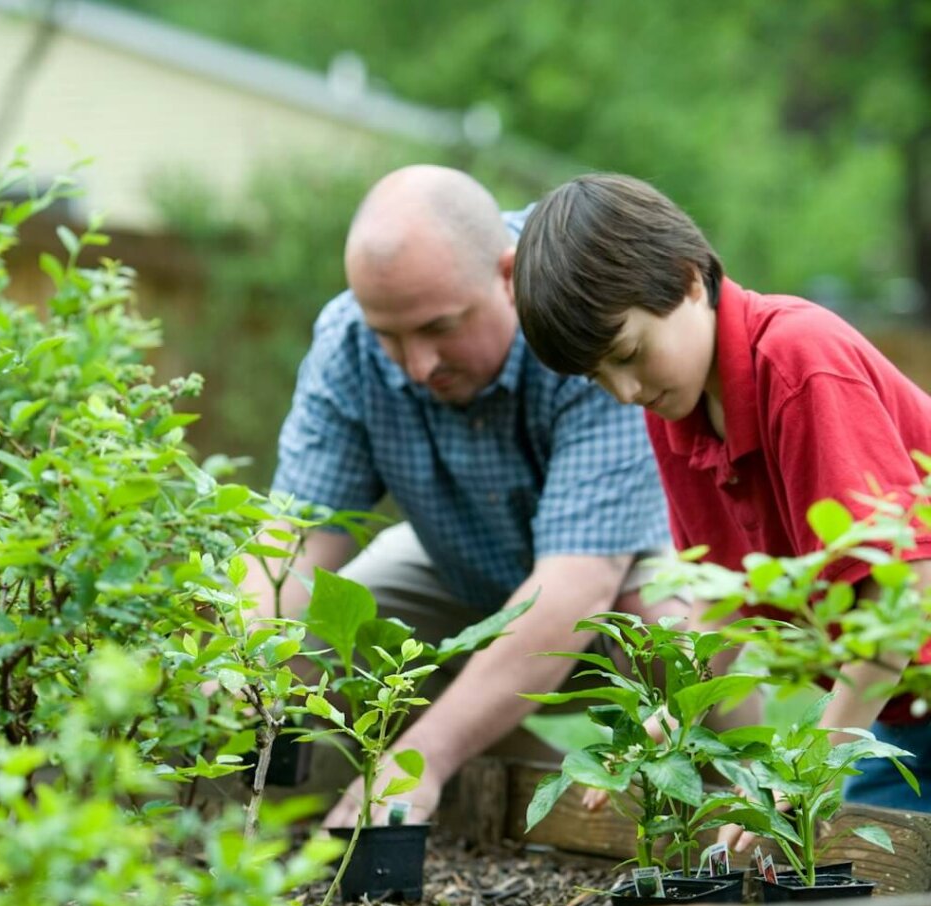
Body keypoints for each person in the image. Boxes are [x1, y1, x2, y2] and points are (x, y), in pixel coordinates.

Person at [242, 165, 676, 829]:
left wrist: (422, 757)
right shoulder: (349, 345)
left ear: (507, 275)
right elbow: (291, 544)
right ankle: (529, 799)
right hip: (460, 569)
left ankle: (720, 814)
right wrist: (239, 659)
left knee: (675, 629)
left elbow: (575, 588)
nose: (416, 365)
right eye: (391, 336)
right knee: (327, 633)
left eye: (439, 328)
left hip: (618, 571)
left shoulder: (581, 308)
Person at [511, 171, 931, 823]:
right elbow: (723, 597)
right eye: (598, 377)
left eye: (628, 353)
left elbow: (903, 592)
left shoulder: (797, 363)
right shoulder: (673, 410)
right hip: (903, 708)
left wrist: (805, 773)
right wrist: (660, 729)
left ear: (687, 279)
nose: (623, 390)